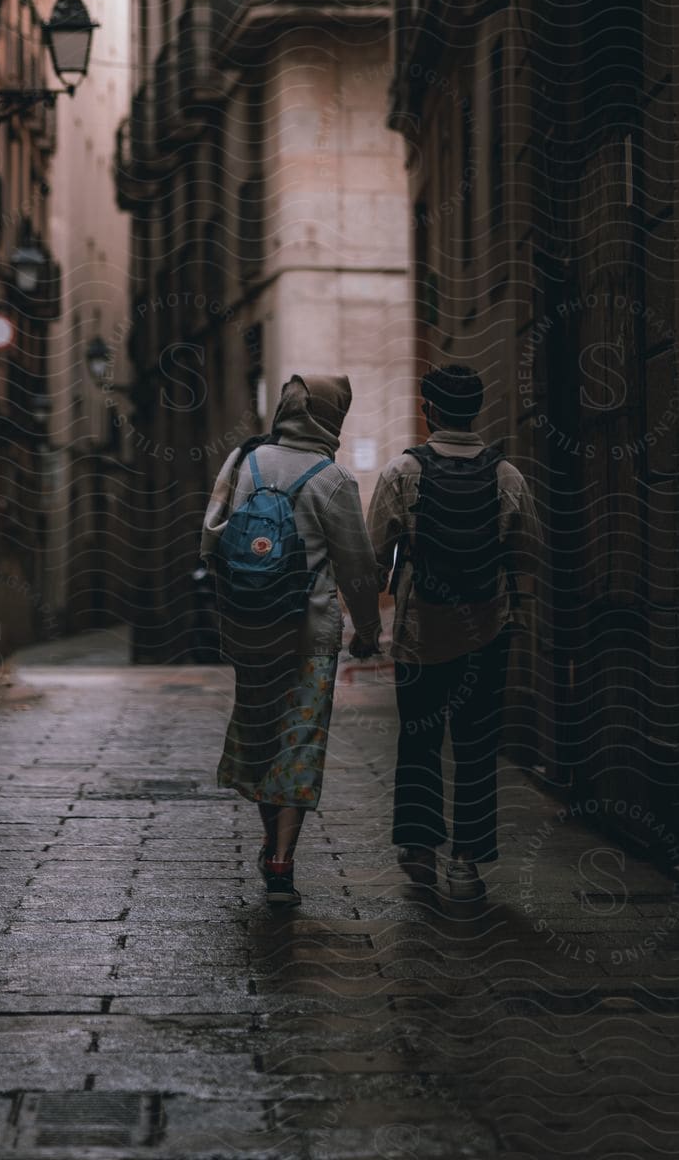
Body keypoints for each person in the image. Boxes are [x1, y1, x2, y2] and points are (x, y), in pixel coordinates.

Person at [201, 374, 383, 907]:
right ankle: (282, 857)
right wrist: (368, 632)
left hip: (253, 632)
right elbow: (358, 570)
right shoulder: (333, 480)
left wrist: (238, 605)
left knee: (261, 736)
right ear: (333, 415)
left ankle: (268, 839)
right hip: (310, 634)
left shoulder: (243, 463)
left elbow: (210, 544)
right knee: (299, 742)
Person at [366, 364, 541, 899]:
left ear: (430, 410)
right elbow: (527, 552)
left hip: (422, 632)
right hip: (487, 631)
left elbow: (375, 555)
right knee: (476, 745)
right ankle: (467, 861)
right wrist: (520, 615)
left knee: (419, 738)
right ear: (476, 410)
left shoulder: (402, 472)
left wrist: (368, 623)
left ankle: (419, 847)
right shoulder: (507, 474)